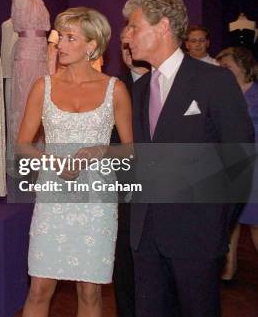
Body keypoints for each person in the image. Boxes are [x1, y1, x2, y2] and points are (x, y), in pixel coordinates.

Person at [124, 0, 254, 317]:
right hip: (146, 236)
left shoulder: (215, 81)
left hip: (197, 234)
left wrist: (216, 223)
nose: (126, 35)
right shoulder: (137, 90)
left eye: (134, 26)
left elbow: (239, 158)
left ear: (163, 26)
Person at [18, 7, 133, 317]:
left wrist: (100, 151)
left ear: (91, 45)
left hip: (97, 200)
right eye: (60, 37)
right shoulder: (43, 86)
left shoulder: (115, 90)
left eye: (71, 38)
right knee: (40, 287)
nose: (61, 45)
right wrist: (53, 161)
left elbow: (130, 150)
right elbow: (22, 145)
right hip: (53, 196)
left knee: (90, 291)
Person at [111, 26, 149, 317]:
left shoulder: (167, 87)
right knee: (124, 264)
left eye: (131, 45)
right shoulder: (110, 88)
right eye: (123, 48)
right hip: (122, 190)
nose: (129, 51)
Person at [215, 47, 258, 280]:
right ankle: (228, 269)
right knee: (230, 219)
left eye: (227, 67)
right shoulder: (223, 93)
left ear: (242, 67)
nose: (224, 72)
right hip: (230, 163)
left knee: (254, 221)